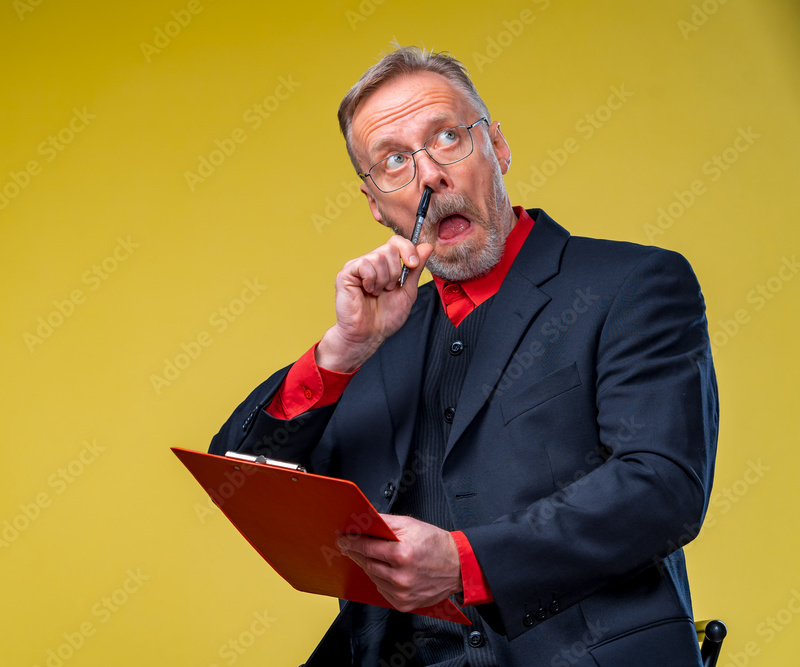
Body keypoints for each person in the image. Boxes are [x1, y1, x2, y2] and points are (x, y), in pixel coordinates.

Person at [209, 45, 718, 666]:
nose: (429, 176)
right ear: (375, 204)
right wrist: (341, 352)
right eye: (394, 160)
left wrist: (463, 564)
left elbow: (663, 489)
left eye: (447, 137)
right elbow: (239, 475)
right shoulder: (371, 334)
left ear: (496, 148)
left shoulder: (633, 282)